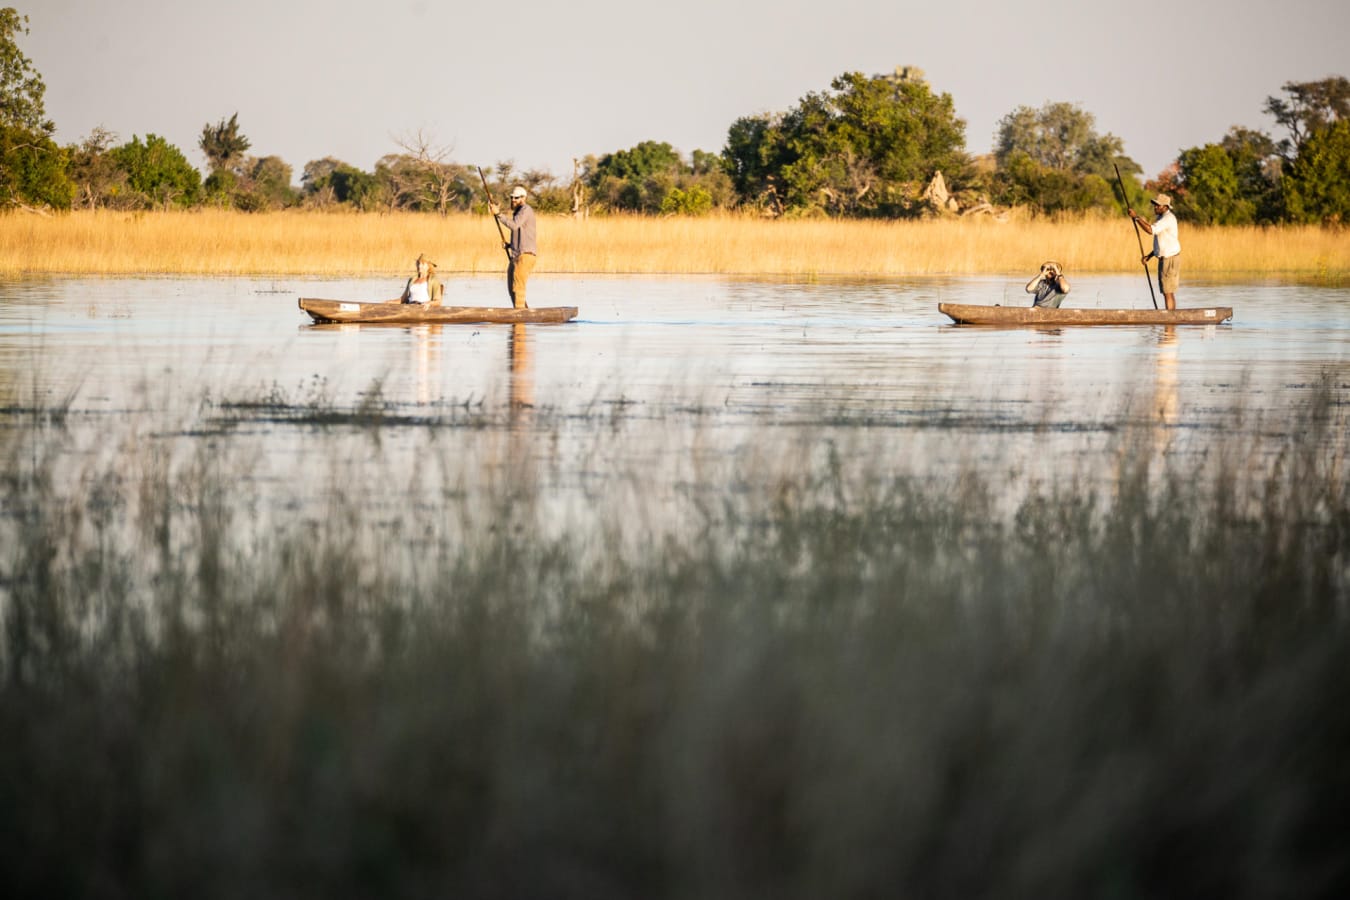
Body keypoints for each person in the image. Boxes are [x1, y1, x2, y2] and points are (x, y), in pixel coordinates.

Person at [1128, 193, 1181, 310]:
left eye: (1158, 205)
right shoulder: (1160, 218)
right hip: (1165, 259)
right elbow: (1161, 244)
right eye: (1155, 205)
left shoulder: (1168, 219)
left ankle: (1170, 319)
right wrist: (1149, 256)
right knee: (1167, 291)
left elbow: (1150, 230)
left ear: (1166, 207)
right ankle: (1170, 317)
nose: (1155, 207)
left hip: (1170, 259)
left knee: (1168, 291)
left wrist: (1136, 218)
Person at [488, 185, 537, 309]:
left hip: (525, 256)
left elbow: (514, 225)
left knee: (518, 286)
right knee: (511, 287)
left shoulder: (526, 210)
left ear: (523, 198)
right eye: (512, 197)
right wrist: (510, 245)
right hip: (516, 256)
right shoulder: (518, 212)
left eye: (516, 198)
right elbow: (520, 232)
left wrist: (498, 214)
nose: (513, 200)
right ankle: (521, 310)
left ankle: (520, 315)